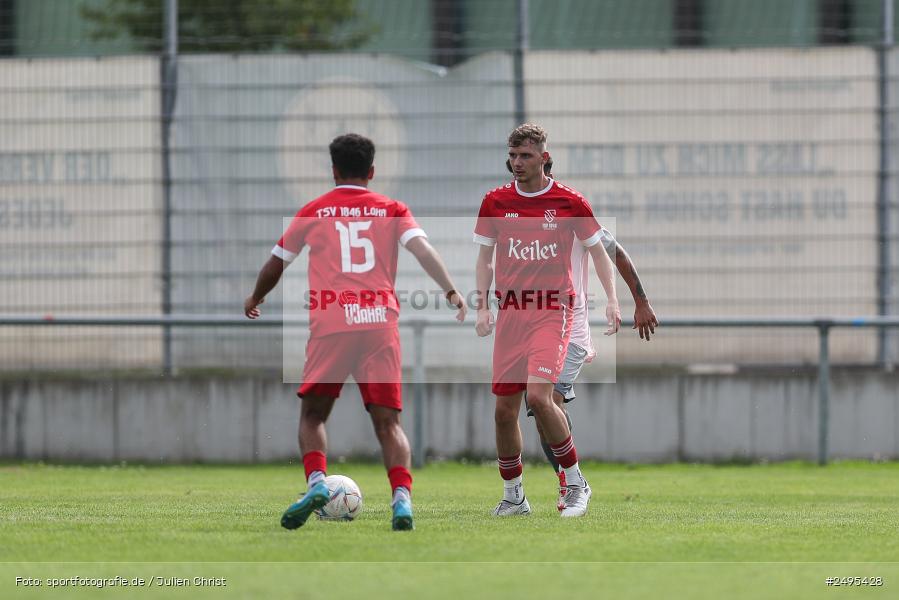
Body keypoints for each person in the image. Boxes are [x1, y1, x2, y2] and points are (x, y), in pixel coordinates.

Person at [245, 133, 466, 531]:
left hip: (332, 323)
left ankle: (317, 482)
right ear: (372, 171)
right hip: (379, 324)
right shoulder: (392, 209)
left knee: (313, 415)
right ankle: (401, 499)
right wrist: (451, 290)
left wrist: (255, 297)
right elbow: (422, 250)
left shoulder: (314, 210)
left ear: (333, 170)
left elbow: (276, 263)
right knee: (389, 424)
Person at [474, 123, 621, 518]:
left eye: (525, 155)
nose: (517, 163)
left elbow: (600, 252)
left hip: (553, 311)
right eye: (513, 156)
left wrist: (612, 300)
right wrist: (482, 306)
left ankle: (575, 483)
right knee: (504, 412)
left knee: (539, 398)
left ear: (544, 158)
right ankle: (514, 497)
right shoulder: (494, 202)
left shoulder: (570, 202)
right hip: (511, 314)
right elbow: (485, 259)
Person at [508, 158, 659, 510]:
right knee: (540, 412)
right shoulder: (518, 217)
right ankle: (566, 480)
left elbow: (615, 251)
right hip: (531, 328)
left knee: (546, 401)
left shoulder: (571, 211)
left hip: (570, 329)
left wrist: (640, 301)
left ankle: (574, 483)